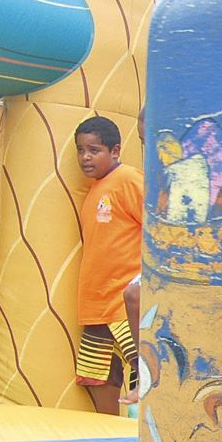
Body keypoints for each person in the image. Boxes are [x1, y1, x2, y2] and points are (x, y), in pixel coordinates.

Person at [73, 115, 143, 416]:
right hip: (95, 304)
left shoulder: (128, 179)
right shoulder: (95, 189)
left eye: (94, 150)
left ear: (115, 151)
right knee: (98, 378)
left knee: (143, 368)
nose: (85, 157)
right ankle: (108, 437)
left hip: (122, 300)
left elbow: (157, 229)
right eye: (80, 150)